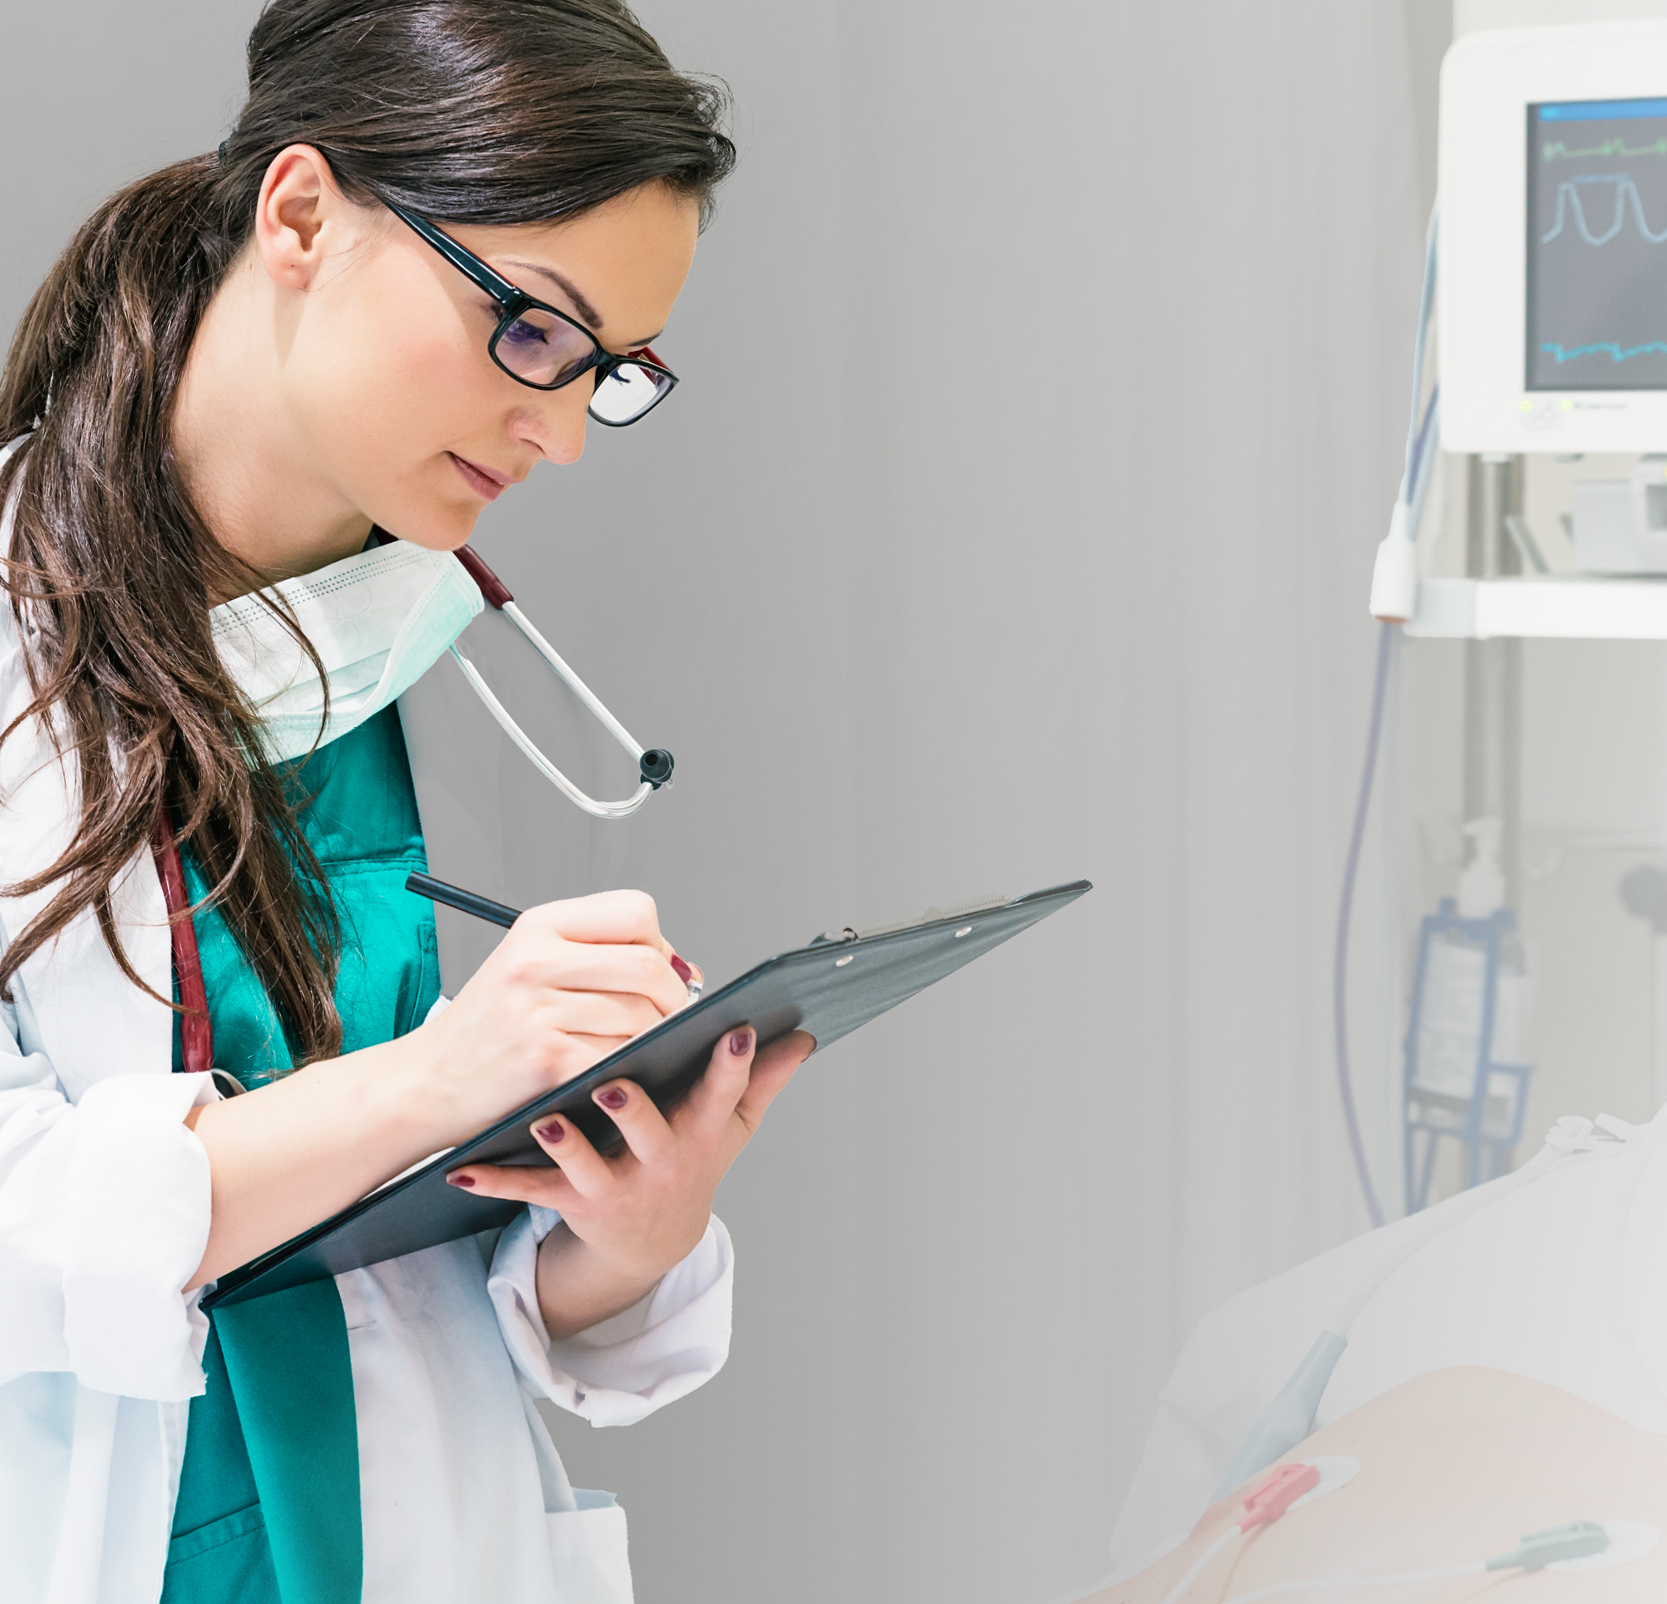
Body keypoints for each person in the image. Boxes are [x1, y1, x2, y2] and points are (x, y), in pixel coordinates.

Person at [0, 3, 813, 1601]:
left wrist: (622, 1236)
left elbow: (450, 1270)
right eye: (533, 330)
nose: (564, 431)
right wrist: (441, 1075)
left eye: (612, 371)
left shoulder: (433, 661)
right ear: (302, 214)